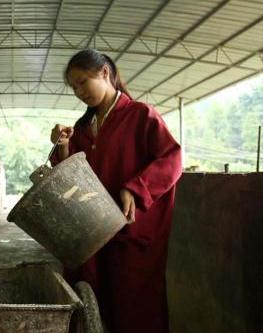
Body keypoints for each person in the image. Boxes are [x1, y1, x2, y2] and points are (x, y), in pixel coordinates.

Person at [50, 49, 182, 333]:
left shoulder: (140, 115)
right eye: (74, 87)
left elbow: (171, 158)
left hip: (130, 230)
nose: (79, 91)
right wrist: (62, 145)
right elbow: (70, 171)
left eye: (83, 81)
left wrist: (135, 189)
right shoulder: (84, 128)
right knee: (92, 302)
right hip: (92, 231)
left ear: (105, 73)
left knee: (135, 305)